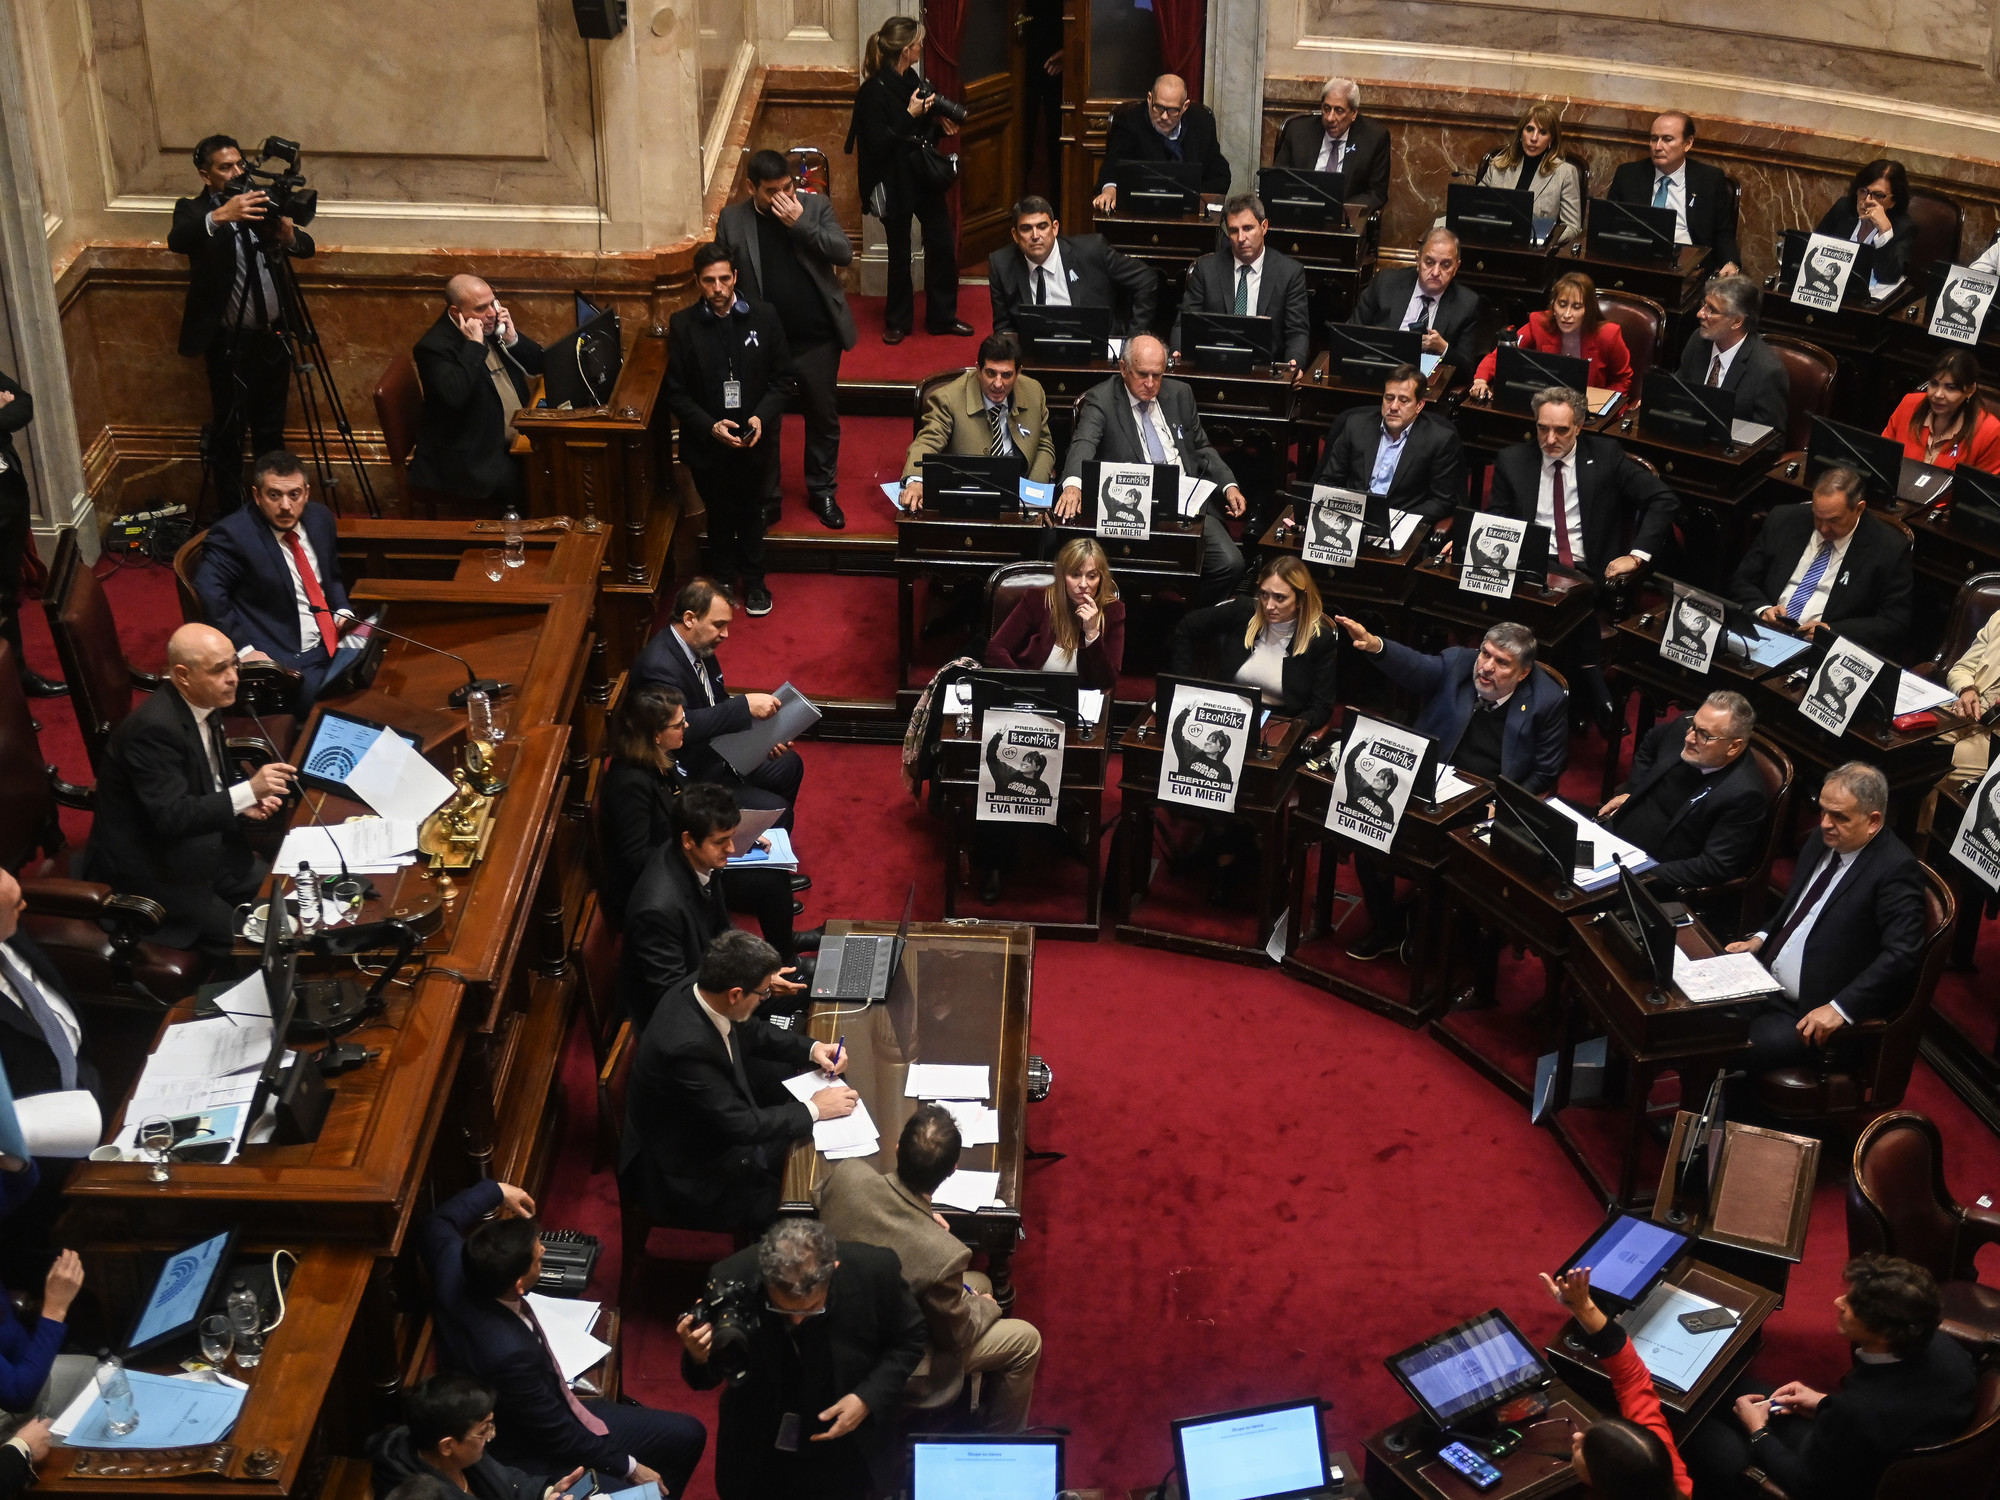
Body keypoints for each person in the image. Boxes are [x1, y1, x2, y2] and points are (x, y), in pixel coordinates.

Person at [415, 1179, 706, 1493]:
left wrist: (497, 1191)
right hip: (530, 1447)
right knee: (633, 1492)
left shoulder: (453, 1262)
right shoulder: (508, 1354)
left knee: (689, 1434)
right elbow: (559, 1433)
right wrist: (631, 1469)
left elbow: (435, 1222)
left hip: (551, 1410)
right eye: (537, 1258)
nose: (542, 1248)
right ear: (518, 1286)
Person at [1335, 618, 1566, 966]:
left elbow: (1546, 770)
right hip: (1429, 780)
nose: (1486, 668)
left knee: (1456, 863)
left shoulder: (1546, 700)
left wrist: (1503, 804)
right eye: (1485, 654)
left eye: (1501, 663)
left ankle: (1429, 927)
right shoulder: (1459, 663)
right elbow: (1417, 667)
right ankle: (1386, 926)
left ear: (1522, 673)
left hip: (1487, 801)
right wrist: (1376, 645)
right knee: (1365, 820)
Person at [814, 1105, 1042, 1433]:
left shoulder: (848, 1174)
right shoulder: (944, 1253)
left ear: (896, 1149)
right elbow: (955, 1335)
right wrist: (985, 1309)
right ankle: (999, 1440)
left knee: (979, 1281)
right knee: (1026, 1340)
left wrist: (915, 1215)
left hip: (837, 1328)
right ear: (952, 1170)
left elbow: (822, 1199)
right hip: (898, 1362)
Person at [1682, 1255, 1976, 1500]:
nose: (1838, 1302)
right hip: (1878, 1449)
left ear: (1884, 1334)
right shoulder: (1947, 1349)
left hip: (1850, 1482)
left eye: (1852, 1305)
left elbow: (1807, 1485)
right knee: (1725, 1387)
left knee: (1700, 1432)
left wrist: (1758, 1430)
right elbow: (1892, 1417)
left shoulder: (1858, 1410)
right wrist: (1823, 1403)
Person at [622, 931, 855, 1237]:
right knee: (814, 1212)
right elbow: (741, 1125)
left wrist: (812, 1049)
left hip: (709, 1129)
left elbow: (750, 1031)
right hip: (693, 1172)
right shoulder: (686, 1051)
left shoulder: (704, 987)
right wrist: (815, 1108)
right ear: (735, 994)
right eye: (762, 994)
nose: (766, 998)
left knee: (814, 1156)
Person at [81, 622, 296, 952]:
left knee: (286, 898)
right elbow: (171, 816)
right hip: (161, 870)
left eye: (234, 664)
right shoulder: (153, 731)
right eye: (218, 669)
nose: (233, 677)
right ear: (183, 675)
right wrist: (248, 791)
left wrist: (241, 802)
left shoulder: (204, 700)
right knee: (251, 941)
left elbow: (208, 777)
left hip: (210, 847)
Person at [678, 1218, 927, 1500]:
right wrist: (700, 1356)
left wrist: (867, 1398)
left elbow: (910, 1339)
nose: (796, 1321)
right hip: (759, 1440)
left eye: (810, 1310)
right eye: (782, 1310)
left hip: (843, 1444)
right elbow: (706, 1377)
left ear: (833, 1270)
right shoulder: (732, 1276)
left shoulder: (876, 1271)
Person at [1723, 761, 1927, 1079]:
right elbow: (1798, 908)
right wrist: (1760, 938)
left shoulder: (1895, 871)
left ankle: (1709, 1123)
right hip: (1762, 982)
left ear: (1873, 821)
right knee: (1694, 1018)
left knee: (1720, 1045)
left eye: (1839, 816)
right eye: (1823, 811)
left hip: (1805, 1013)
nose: (1825, 823)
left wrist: (1840, 1008)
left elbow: (1902, 955)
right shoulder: (1824, 840)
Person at [169, 134, 316, 513]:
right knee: (230, 433)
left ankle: (275, 509)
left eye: (239, 164)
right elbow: (178, 239)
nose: (236, 172)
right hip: (229, 344)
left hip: (274, 339)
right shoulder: (193, 209)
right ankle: (234, 515)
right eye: (225, 167)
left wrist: (287, 235)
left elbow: (305, 245)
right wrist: (222, 215)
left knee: (271, 431)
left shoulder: (262, 201)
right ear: (206, 175)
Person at [716, 150, 857, 532]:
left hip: (817, 338)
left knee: (822, 417)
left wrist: (800, 225)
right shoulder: (733, 219)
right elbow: (724, 275)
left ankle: (822, 490)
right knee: (765, 421)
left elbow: (843, 254)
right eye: (771, 191)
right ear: (752, 188)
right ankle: (767, 498)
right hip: (764, 343)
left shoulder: (814, 206)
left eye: (788, 187)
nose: (783, 196)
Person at [596, 686, 807, 937]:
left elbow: (688, 807)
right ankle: (788, 959)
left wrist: (735, 834)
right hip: (667, 877)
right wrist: (700, 850)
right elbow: (635, 859)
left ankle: (789, 944)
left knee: (771, 869)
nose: (686, 726)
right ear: (655, 735)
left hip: (689, 854)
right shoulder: (629, 784)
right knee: (767, 881)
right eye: (678, 724)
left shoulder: (661, 757)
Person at [1054, 335, 1247, 603]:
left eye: (1158, 374)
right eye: (1142, 374)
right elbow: (1083, 442)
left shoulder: (1180, 394)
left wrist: (1229, 485)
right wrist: (1074, 483)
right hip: (1135, 509)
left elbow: (1201, 447)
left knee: (1230, 563)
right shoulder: (1103, 399)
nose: (1150, 383)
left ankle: (1190, 620)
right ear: (1123, 368)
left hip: (1186, 502)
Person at [665, 243, 797, 618]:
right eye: (709, 281)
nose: (718, 288)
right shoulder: (683, 325)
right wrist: (709, 426)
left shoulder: (765, 316)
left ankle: (755, 582)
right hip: (709, 443)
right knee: (719, 514)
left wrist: (760, 417)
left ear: (735, 277)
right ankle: (723, 581)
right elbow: (676, 392)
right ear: (698, 282)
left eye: (724, 278)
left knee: (753, 511)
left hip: (755, 438)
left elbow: (783, 379)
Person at [617, 782, 811, 1031]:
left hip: (716, 983)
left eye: (730, 838)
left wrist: (760, 976)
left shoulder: (701, 858)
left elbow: (723, 931)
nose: (731, 849)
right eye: (721, 841)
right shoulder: (656, 912)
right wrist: (753, 988)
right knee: (791, 1055)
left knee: (813, 990)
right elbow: (675, 999)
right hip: (686, 1022)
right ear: (688, 840)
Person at [193, 449, 368, 711]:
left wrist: (341, 608)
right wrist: (242, 649)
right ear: (257, 495)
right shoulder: (234, 535)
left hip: (334, 639)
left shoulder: (320, 518)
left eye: (294, 495)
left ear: (306, 493)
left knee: (383, 673)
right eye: (274, 495)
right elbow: (208, 590)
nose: (285, 506)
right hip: (286, 656)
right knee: (343, 702)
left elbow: (331, 575)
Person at [631, 579, 805, 826]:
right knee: (779, 811)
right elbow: (684, 725)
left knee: (788, 765)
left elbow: (717, 702)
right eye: (718, 625)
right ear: (690, 619)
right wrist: (743, 707)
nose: (725, 634)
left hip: (719, 752)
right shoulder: (657, 667)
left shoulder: (700, 647)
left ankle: (759, 841)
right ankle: (741, 846)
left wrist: (762, 738)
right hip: (692, 776)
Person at [1486, 387, 1677, 599]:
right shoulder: (1512, 460)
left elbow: (1663, 499)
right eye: (1543, 429)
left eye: (1561, 430)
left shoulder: (1605, 456)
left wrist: (1636, 556)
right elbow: (1498, 519)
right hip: (1528, 568)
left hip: (1586, 571)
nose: (1550, 440)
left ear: (1579, 426)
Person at [849, 17, 970, 345]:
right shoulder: (872, 92)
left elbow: (918, 135)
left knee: (942, 244)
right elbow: (877, 145)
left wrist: (937, 124)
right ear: (906, 50)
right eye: (918, 43)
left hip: (921, 175)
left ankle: (942, 317)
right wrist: (912, 114)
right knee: (899, 253)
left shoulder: (912, 78)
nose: (921, 47)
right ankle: (897, 321)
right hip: (893, 181)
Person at [1597, 692, 1771, 897]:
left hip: (1649, 872)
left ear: (1733, 747)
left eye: (1704, 735)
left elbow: (1714, 866)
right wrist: (1632, 791)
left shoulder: (1744, 794)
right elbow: (1649, 744)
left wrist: (1640, 875)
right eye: (1694, 726)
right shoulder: (1686, 727)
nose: (1689, 738)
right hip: (1613, 836)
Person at [1729, 465, 1913, 657]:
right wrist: (1763, 609)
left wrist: (1830, 631)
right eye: (1818, 517)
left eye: (1834, 520)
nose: (1823, 528)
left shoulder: (1888, 548)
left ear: (1859, 509)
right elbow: (1743, 580)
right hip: (1765, 633)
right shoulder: (1783, 519)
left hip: (1826, 651)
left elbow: (1894, 621)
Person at [1539, 1269, 1691, 1498]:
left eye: (1585, 1448)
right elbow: (1632, 1378)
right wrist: (1583, 1307)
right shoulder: (1670, 1475)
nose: (1577, 1437)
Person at [408, 275, 546, 513]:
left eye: (493, 303)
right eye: (481, 308)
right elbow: (455, 397)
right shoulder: (434, 347)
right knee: (532, 484)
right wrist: (474, 346)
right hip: (473, 452)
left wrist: (512, 339)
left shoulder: (493, 326)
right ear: (455, 312)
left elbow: (539, 366)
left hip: (514, 435)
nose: (492, 313)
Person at [1169, 556, 1339, 738]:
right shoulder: (1243, 611)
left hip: (1277, 724)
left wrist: (1285, 730)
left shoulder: (1320, 640)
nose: (1269, 605)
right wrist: (1185, 687)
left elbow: (1320, 708)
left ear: (1299, 599)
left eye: (1280, 598)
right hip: (1223, 714)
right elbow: (1187, 626)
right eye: (1264, 594)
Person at [366, 1373, 587, 1500]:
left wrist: (547, 1493)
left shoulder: (459, 1456)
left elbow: (507, 1481)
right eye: (484, 1430)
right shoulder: (419, 1495)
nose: (491, 1435)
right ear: (447, 1446)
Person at [898, 334, 1057, 511]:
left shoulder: (1034, 392)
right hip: (966, 496)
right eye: (991, 373)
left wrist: (1031, 493)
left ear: (1018, 372)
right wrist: (916, 481)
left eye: (1006, 375)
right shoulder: (948, 399)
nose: (998, 384)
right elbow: (928, 441)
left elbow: (1044, 444)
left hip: (1017, 496)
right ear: (978, 369)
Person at [987, 197, 1157, 341]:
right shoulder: (1001, 264)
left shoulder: (1092, 250)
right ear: (1015, 235)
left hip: (1094, 348)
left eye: (1042, 226)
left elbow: (1147, 279)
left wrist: (1135, 338)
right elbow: (1004, 328)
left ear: (1054, 228)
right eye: (1026, 229)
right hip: (1035, 356)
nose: (1035, 236)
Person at [1172, 193, 1312, 366]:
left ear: (1264, 227)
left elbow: (1297, 331)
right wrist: (1178, 352)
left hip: (1265, 370)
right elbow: (1185, 323)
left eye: (1248, 228)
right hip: (1214, 365)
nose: (1241, 238)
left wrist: (1294, 362)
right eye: (1233, 230)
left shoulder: (1289, 272)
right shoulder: (1206, 269)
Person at [1314, 363, 1463, 518]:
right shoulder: (1356, 426)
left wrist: (1399, 519)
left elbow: (1441, 501)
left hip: (1401, 524)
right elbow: (1329, 481)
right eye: (1389, 398)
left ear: (1419, 405)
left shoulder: (1439, 439)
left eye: (1403, 400)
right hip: (1352, 518)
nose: (1393, 406)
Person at [1607, 112, 1740, 274]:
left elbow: (1723, 232)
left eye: (1667, 139)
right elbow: (1609, 226)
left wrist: (1731, 263)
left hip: (1690, 268)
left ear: (1688, 143)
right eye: (1654, 139)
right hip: (1636, 263)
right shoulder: (1628, 175)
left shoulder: (1709, 180)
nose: (1658, 147)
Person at [985, 537, 1125, 690]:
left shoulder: (1112, 611)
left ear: (1101, 578)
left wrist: (1092, 634)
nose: (1083, 585)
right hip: (1032, 695)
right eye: (1075, 575)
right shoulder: (1038, 600)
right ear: (1063, 577)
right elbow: (996, 650)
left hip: (1079, 703)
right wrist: (1024, 687)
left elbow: (1107, 682)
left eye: (1092, 576)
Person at [1470, 273, 1633, 402]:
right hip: (1546, 405)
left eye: (1576, 307)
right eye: (1562, 304)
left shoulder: (1608, 335)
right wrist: (1480, 380)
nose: (1567, 314)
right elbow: (1503, 355)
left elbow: (1623, 380)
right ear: (1553, 304)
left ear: (1588, 310)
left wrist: (1602, 404)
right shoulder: (1539, 324)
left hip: (1587, 414)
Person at [1350, 228, 1485, 378]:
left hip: (1426, 385)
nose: (1435, 272)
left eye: (1445, 265)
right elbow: (1350, 334)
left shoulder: (1467, 304)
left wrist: (1443, 348)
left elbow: (1467, 368)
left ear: (1456, 268)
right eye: (1429, 262)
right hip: (1379, 373)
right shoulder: (1385, 283)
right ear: (1418, 260)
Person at [0, 368, 59, 700]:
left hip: (8, 498)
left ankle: (18, 677)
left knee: (7, 592)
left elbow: (24, 403)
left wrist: (5, 408)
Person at [1092, 74, 1229, 214]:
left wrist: (1197, 200)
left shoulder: (1202, 121)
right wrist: (1109, 189)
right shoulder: (1128, 121)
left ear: (1185, 106)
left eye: (1172, 110)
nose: (1164, 116)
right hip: (1141, 210)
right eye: (1158, 107)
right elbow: (1113, 165)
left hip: (1188, 213)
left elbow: (1219, 173)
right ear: (1150, 99)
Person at [1676, 275, 1790, 434]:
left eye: (1712, 310)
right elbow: (1677, 394)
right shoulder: (1698, 341)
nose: (1700, 314)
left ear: (1737, 321)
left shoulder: (1767, 371)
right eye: (1704, 305)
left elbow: (1771, 442)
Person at [1270, 77, 1390, 210]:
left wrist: (1341, 210)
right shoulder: (1298, 131)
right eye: (1326, 108)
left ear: (1354, 113)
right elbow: (1277, 179)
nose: (1330, 118)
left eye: (1339, 110)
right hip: (1299, 211)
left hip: (1345, 219)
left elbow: (1376, 194)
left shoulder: (1373, 138)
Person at [1471, 104, 1582, 240]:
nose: (1534, 138)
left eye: (1542, 132)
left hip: (1535, 252)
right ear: (1521, 132)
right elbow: (1475, 210)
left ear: (1551, 139)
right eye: (1530, 129)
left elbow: (1572, 226)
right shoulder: (1498, 165)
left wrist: (1544, 240)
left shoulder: (1565, 173)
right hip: (1494, 242)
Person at [1881, 349, 2000, 473]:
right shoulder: (1909, 405)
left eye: (1950, 388)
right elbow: (1882, 455)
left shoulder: (1990, 432)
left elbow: (1979, 489)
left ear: (1970, 390)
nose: (1937, 394)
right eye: (1934, 384)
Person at [1815, 158, 1919, 293]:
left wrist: (1885, 232)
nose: (1867, 200)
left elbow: (1887, 278)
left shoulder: (1903, 228)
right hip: (1825, 289)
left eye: (1878, 195)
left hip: (1863, 303)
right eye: (1863, 191)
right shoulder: (1843, 208)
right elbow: (1814, 246)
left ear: (1893, 201)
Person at [1019, 0, 1064, 201]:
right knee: (1021, 133)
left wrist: (1069, 49)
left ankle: (1057, 207)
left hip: (1062, 67)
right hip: (1019, 59)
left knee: (1058, 136)